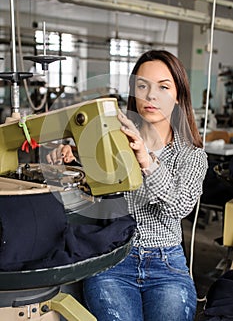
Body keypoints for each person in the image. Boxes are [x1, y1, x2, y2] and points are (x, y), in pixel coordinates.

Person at [47, 50, 208, 321]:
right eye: (142, 86)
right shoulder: (112, 141)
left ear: (178, 95)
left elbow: (180, 207)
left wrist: (146, 160)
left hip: (167, 265)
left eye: (163, 87)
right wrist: (71, 159)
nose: (151, 95)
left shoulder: (191, 156)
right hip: (114, 261)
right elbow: (91, 186)